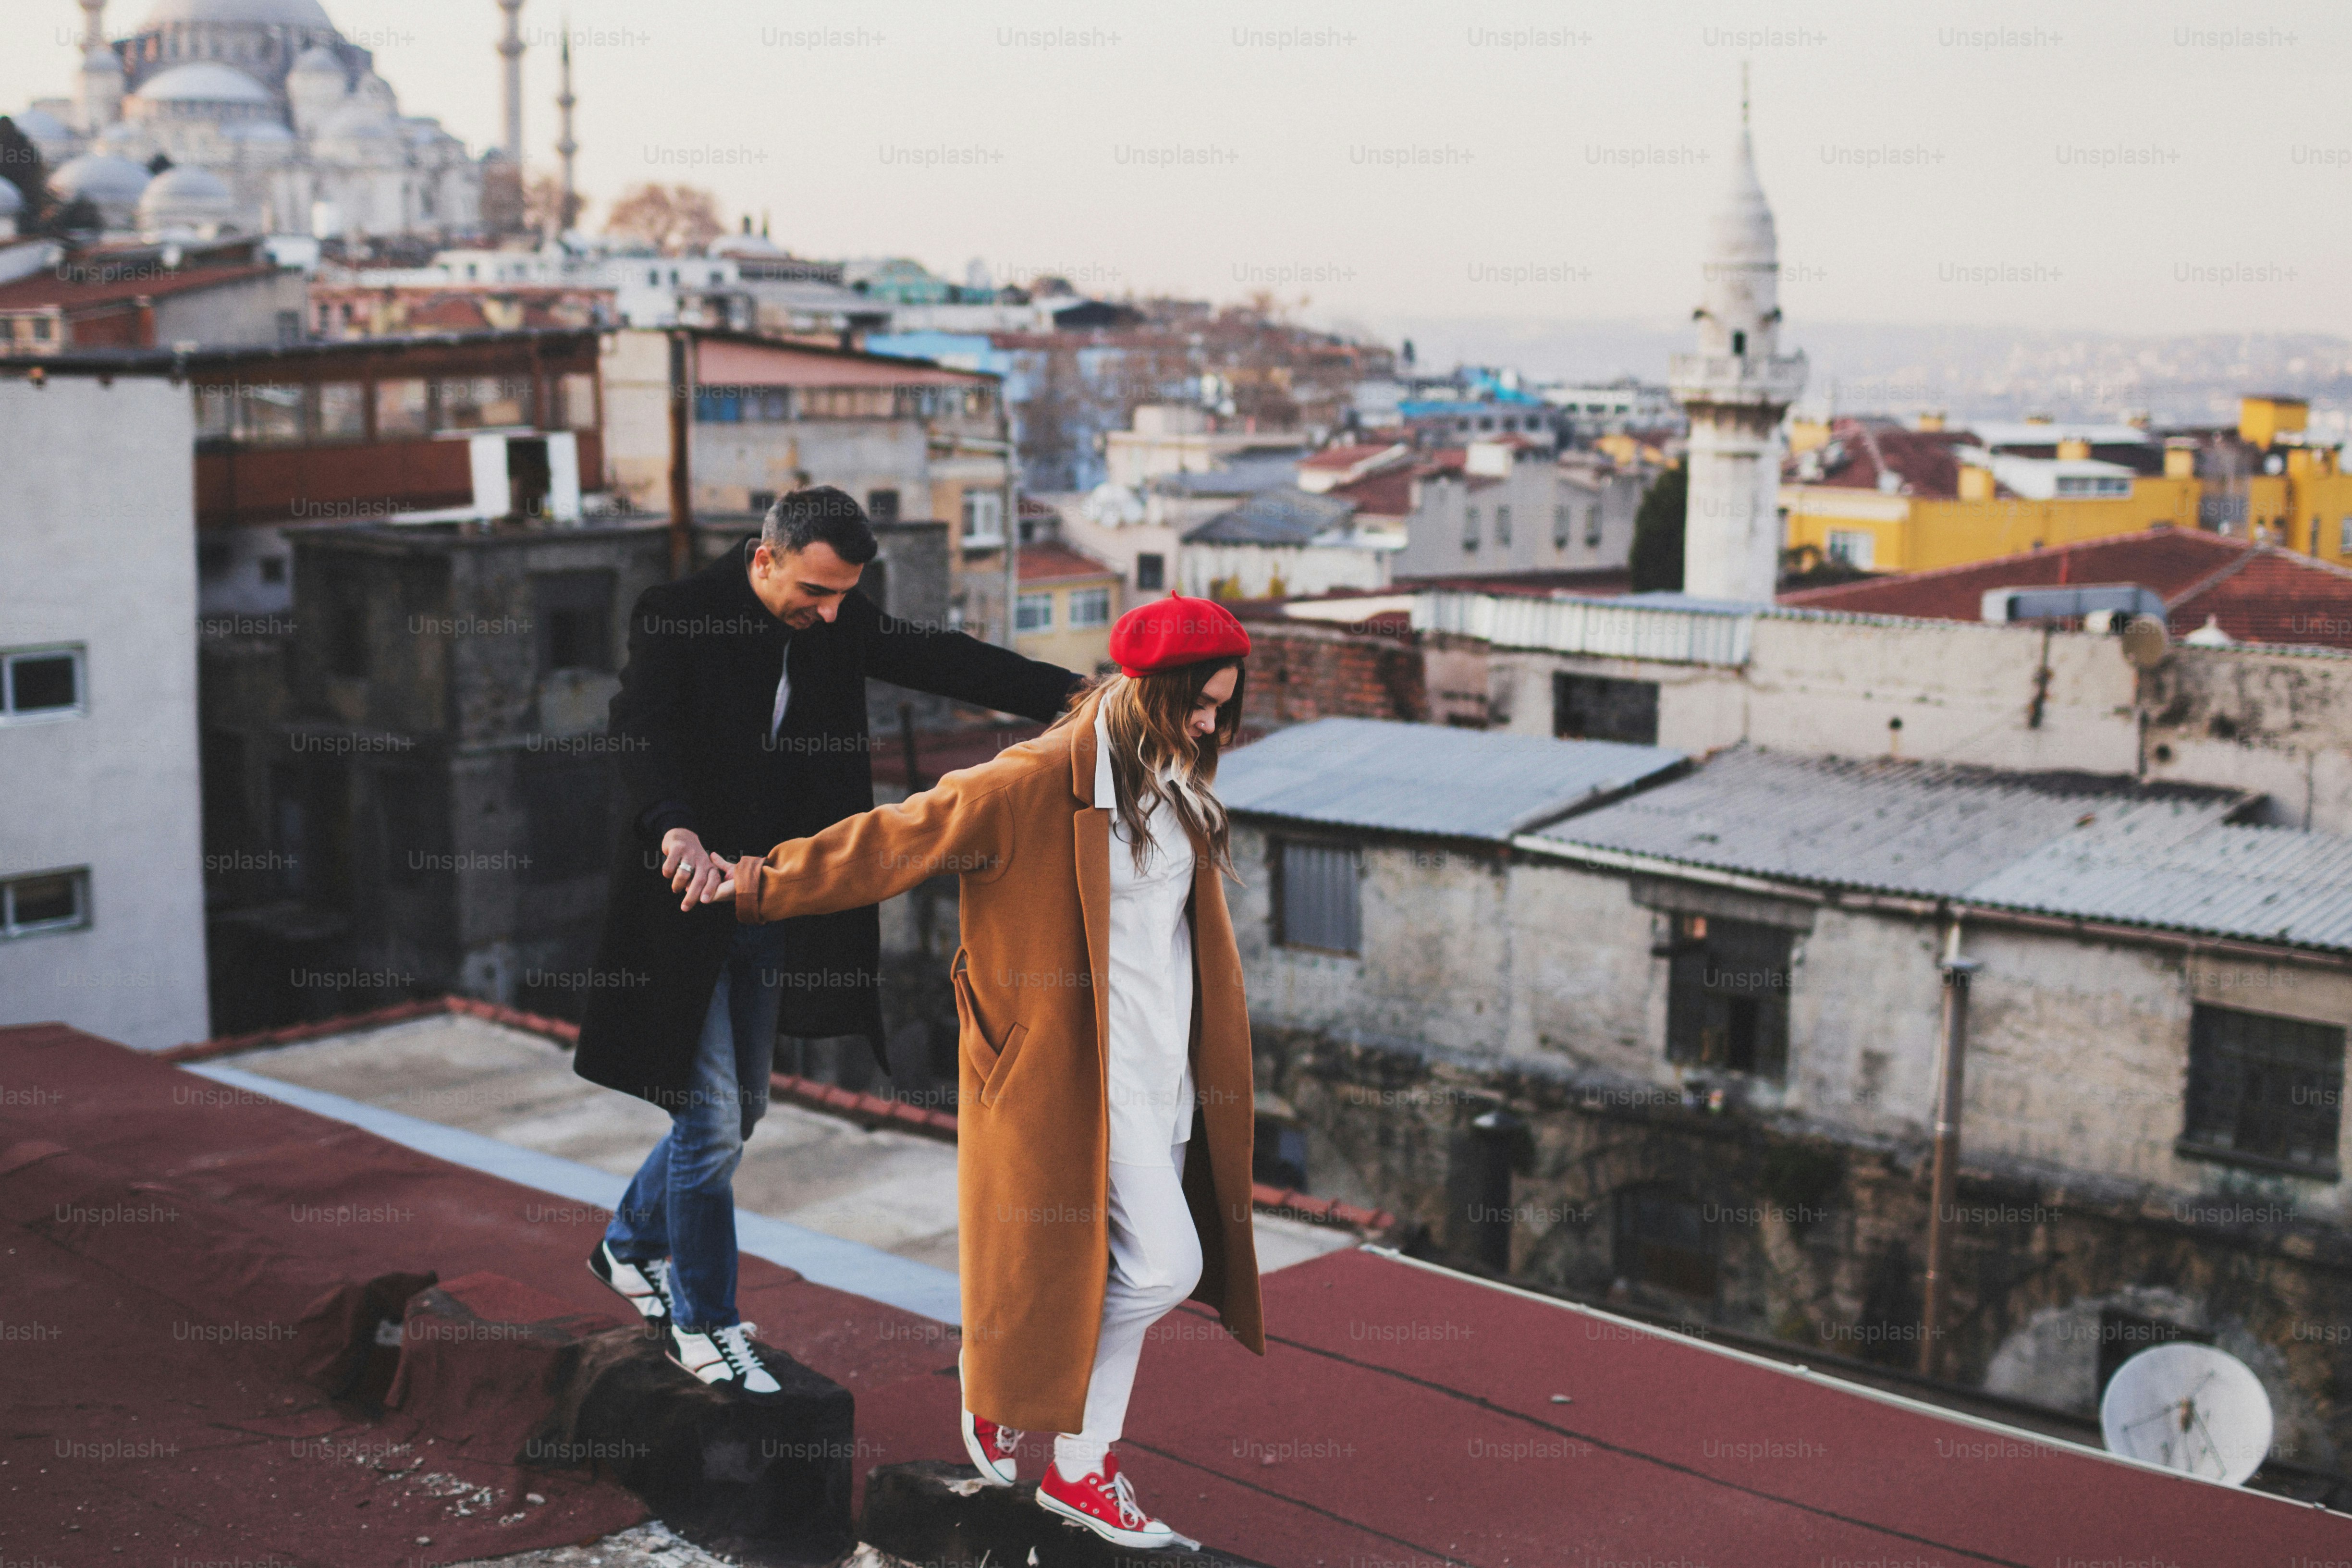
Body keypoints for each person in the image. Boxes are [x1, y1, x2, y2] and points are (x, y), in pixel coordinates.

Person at [709, 595, 1266, 1548]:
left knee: (1132, 1266)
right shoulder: (1039, 779)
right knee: (1168, 1266)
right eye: (1200, 705)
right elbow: (901, 836)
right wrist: (762, 882)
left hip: (1166, 1069)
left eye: (1224, 705)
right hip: (1070, 1074)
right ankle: (1010, 1378)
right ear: (1147, 693)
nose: (1215, 725)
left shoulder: (1177, 776)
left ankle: (1079, 1462)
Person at [573, 485, 1086, 1395]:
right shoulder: (680, 614)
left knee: (745, 1115)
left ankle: (628, 1243)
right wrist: (675, 832)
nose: (830, 611)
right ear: (764, 559)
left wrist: (1080, 694)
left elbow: (945, 659)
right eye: (815, 591)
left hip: (771, 896)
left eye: (845, 594)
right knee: (711, 1126)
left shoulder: (833, 618)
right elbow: (637, 732)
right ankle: (704, 1322)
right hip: (681, 904)